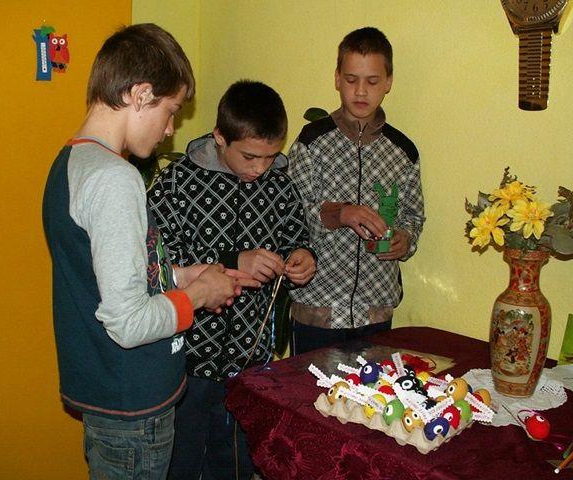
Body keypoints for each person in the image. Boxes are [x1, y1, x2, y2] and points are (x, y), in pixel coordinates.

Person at [42, 24, 258, 480]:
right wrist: (198, 295)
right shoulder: (115, 179)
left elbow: (103, 277)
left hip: (108, 392)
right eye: (171, 111)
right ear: (140, 95)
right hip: (134, 404)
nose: (170, 129)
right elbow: (128, 322)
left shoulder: (72, 162)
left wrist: (178, 276)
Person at [149, 80, 317, 480]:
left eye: (271, 157)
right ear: (220, 137)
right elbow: (155, 263)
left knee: (236, 463)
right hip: (185, 362)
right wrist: (232, 260)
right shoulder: (177, 184)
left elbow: (296, 236)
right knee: (181, 463)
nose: (260, 168)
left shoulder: (279, 185)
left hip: (248, 362)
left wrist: (301, 258)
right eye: (250, 156)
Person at [287, 27, 425, 354]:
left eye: (372, 81)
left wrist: (405, 239)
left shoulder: (402, 152)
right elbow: (290, 213)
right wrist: (340, 213)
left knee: (373, 387)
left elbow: (414, 216)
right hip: (318, 309)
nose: (361, 91)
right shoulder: (312, 143)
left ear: (388, 82)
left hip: (376, 309)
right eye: (351, 80)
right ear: (337, 78)